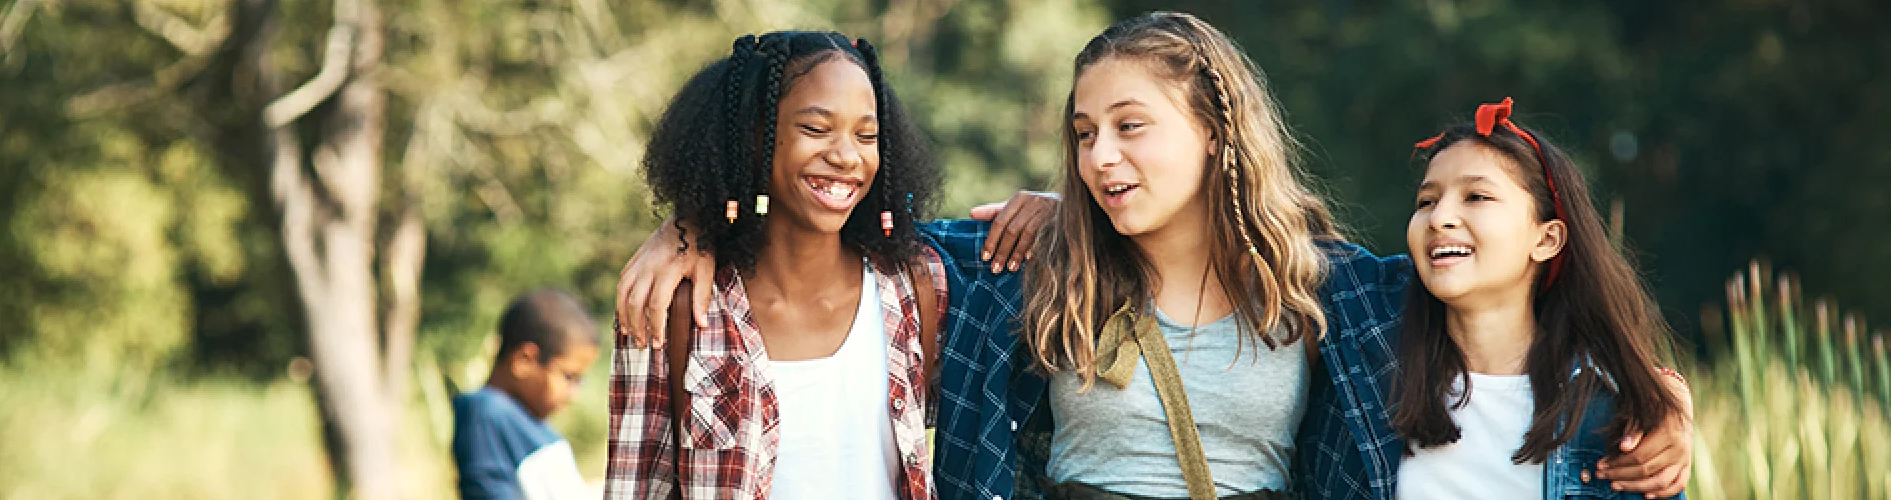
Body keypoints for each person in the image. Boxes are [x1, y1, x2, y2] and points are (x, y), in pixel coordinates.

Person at [611, 12, 1694, 500]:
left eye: (1130, 125)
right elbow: (837, 225)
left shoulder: (1332, 287)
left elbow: (1497, 298)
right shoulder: (1020, 264)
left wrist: (1657, 394)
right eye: (1081, 132)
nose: (1099, 155)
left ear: (1214, 127)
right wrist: (697, 222)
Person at [601, 30, 949, 500]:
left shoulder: (915, 286)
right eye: (815, 128)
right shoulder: (672, 302)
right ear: (752, 138)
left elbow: (1032, 250)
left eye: (866, 135)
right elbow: (635, 488)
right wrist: (682, 227)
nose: (847, 156)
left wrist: (1046, 205)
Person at [1388, 98, 1686, 499]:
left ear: (1546, 239)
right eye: (1427, 201)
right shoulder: (1365, 360)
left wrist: (1665, 398)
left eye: (1476, 197)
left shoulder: (1614, 419)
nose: (1440, 218)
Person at [452, 289, 601, 500]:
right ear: (524, 361)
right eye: (569, 377)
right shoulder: (485, 413)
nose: (573, 395)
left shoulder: (526, 421)